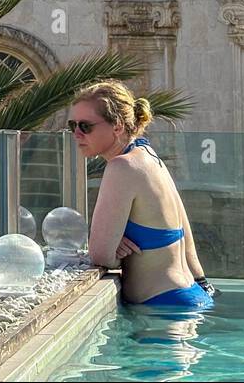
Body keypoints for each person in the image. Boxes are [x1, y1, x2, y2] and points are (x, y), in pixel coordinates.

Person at [70, 81, 215, 309]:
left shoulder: (122, 167)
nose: (76, 134)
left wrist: (115, 250)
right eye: (73, 125)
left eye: (85, 126)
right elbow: (184, 231)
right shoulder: (148, 155)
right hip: (189, 295)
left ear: (117, 126)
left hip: (164, 308)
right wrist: (203, 282)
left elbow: (99, 255)